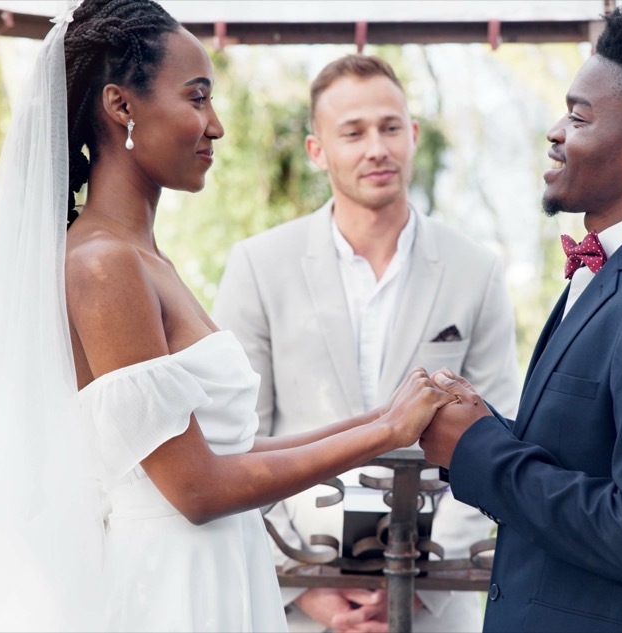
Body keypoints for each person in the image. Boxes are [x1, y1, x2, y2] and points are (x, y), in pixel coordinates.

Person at [0, 2, 455, 631]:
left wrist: (386, 417)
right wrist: (382, 437)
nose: (215, 126)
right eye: (197, 98)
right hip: (169, 589)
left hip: (216, 566)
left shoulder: (145, 258)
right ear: (121, 106)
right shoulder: (104, 265)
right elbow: (196, 490)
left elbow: (229, 448)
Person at [418, 8, 622, 632]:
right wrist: (485, 422)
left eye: (578, 117)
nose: (554, 131)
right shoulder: (616, 276)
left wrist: (481, 452)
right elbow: (586, 461)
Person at [212, 54, 520, 633]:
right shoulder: (258, 266)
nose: (376, 147)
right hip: (296, 599)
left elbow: (497, 435)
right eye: (352, 133)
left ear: (413, 135)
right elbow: (235, 442)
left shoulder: (475, 269)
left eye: (390, 127)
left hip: (438, 598)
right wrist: (310, 588)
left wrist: (415, 587)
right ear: (317, 151)